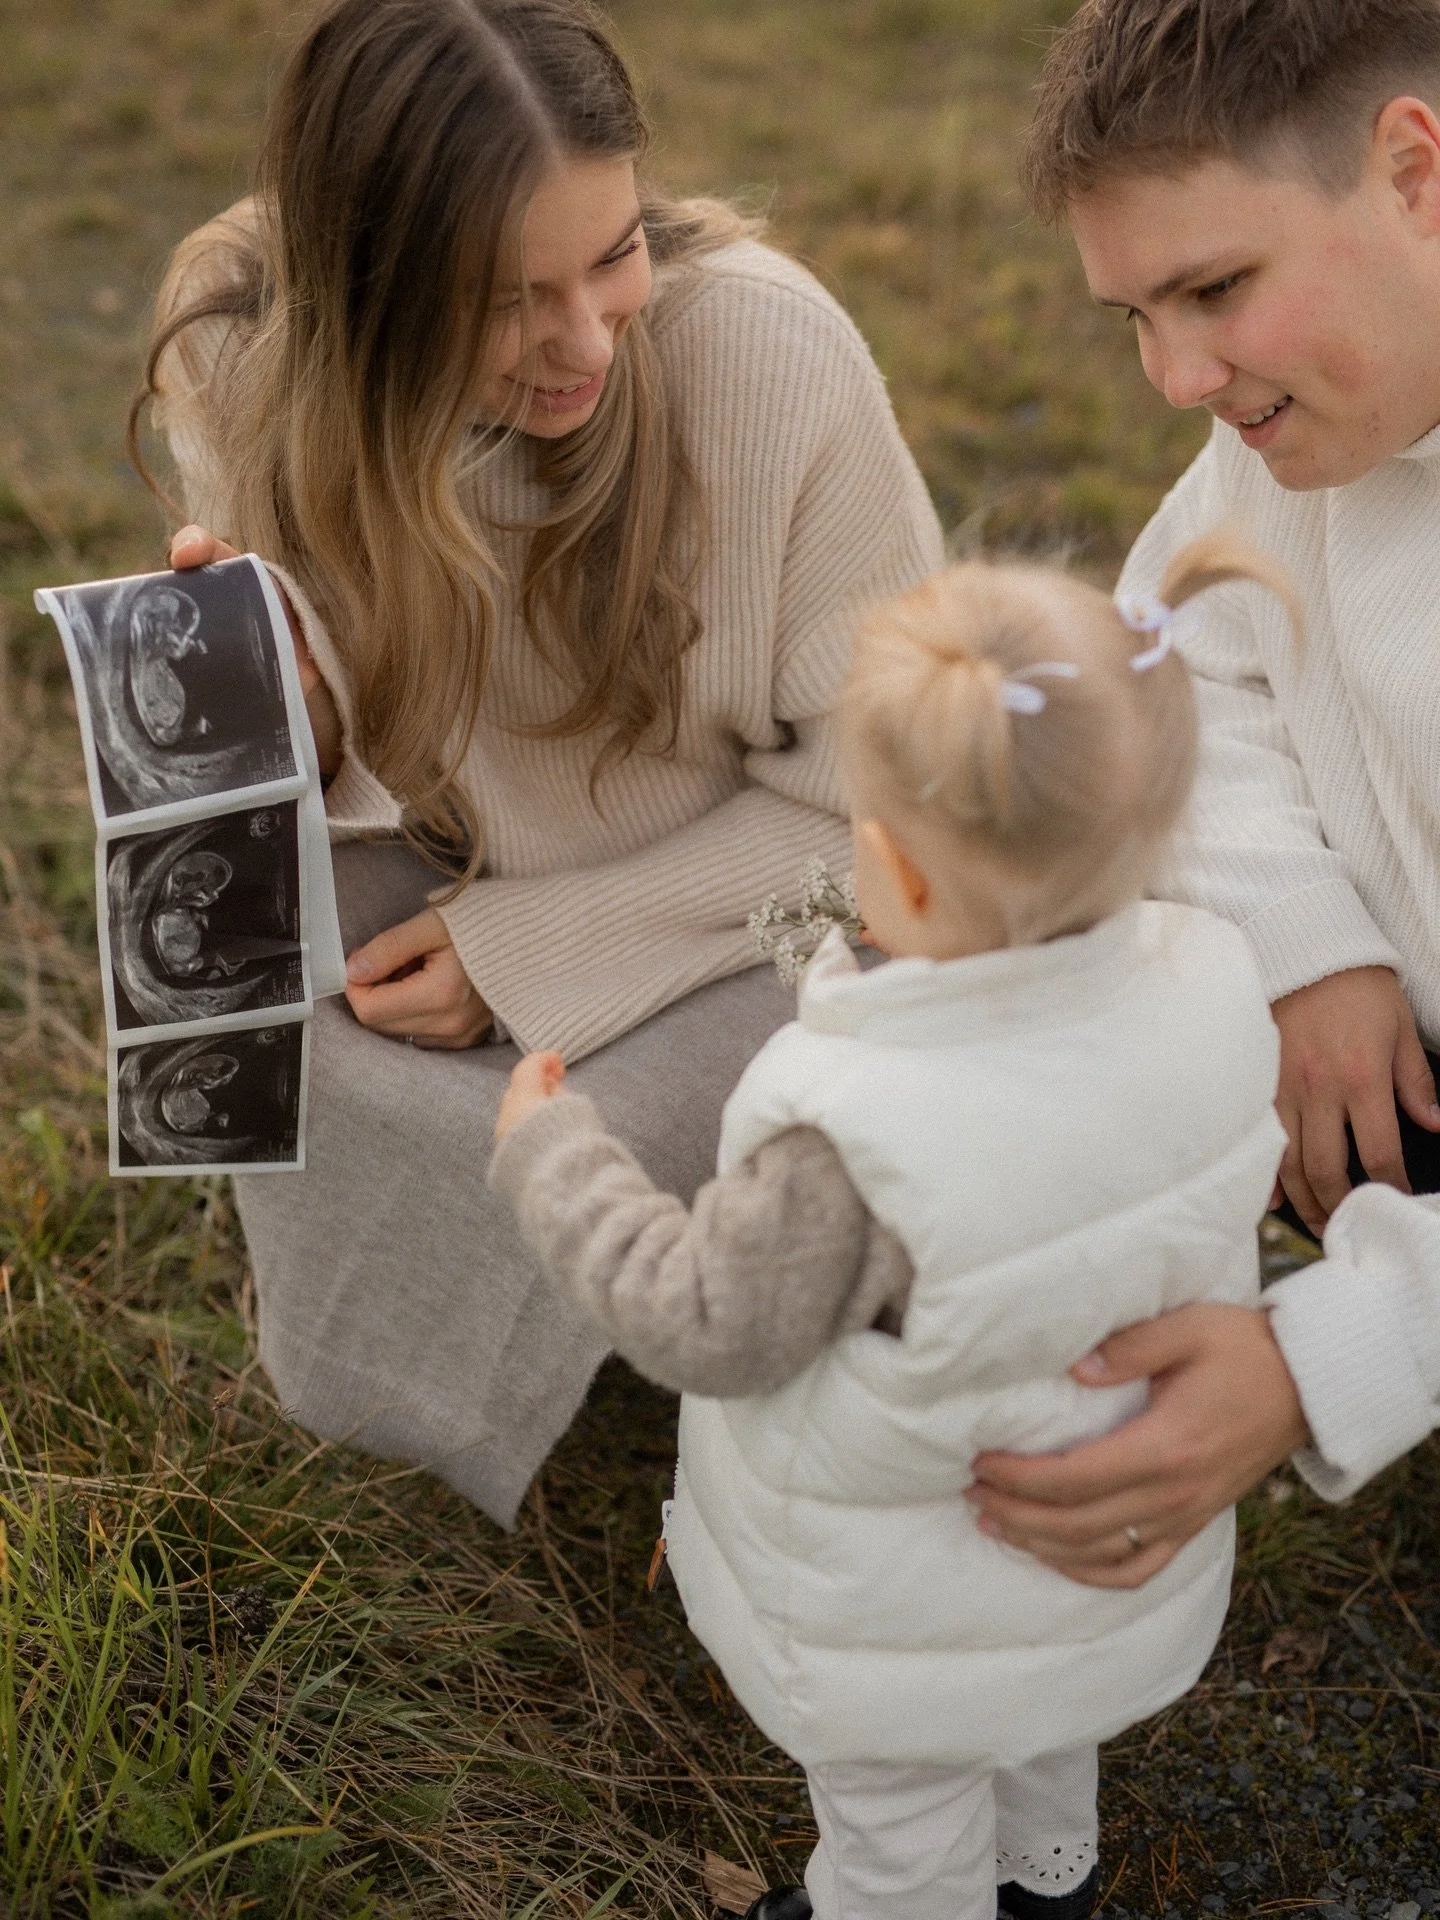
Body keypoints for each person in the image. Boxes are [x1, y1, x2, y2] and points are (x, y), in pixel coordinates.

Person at [136, 0, 942, 1526]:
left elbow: (890, 808)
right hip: (448, 860)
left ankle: (636, 1311)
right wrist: (295, 734)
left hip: (750, 917)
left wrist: (525, 955)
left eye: (616, 252)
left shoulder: (766, 357)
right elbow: (368, 777)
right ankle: (412, 1350)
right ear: (363, 299)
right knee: (225, 965)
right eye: (507, 299)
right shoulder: (240, 348)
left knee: (599, 1128)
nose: (583, 342)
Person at [489, 535, 1293, 1920]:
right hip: (1099, 1562)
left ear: (904, 886)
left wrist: (549, 1154)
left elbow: (700, 1317)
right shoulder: (1224, 988)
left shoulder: (857, 1136)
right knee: (1043, 1730)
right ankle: (1049, 1876)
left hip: (902, 1619)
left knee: (900, 1841)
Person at [964, 0, 1440, 1590]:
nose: (1176, 376)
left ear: (1414, 173)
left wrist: (1329, 1354)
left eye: (1215, 290)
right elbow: (1170, 655)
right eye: (1134, 317)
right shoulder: (1292, 429)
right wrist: (1311, 942)